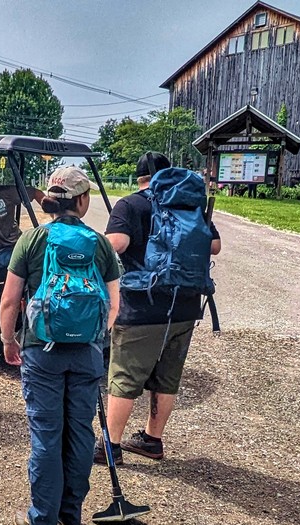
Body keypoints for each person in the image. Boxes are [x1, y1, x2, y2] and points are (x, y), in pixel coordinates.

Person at [0, 166, 124, 525]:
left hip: (42, 350)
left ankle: (42, 521)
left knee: (46, 434)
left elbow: (9, 300)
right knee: (80, 433)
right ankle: (71, 516)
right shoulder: (100, 244)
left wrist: (8, 339)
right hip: (85, 352)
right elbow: (115, 304)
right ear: (83, 201)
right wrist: (94, 335)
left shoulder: (32, 240)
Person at [97, 152, 222, 463]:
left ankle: (109, 447)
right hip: (186, 305)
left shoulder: (131, 204)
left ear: (139, 177)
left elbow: (117, 243)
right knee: (167, 377)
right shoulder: (188, 204)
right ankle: (152, 440)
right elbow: (215, 245)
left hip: (144, 306)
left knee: (124, 377)